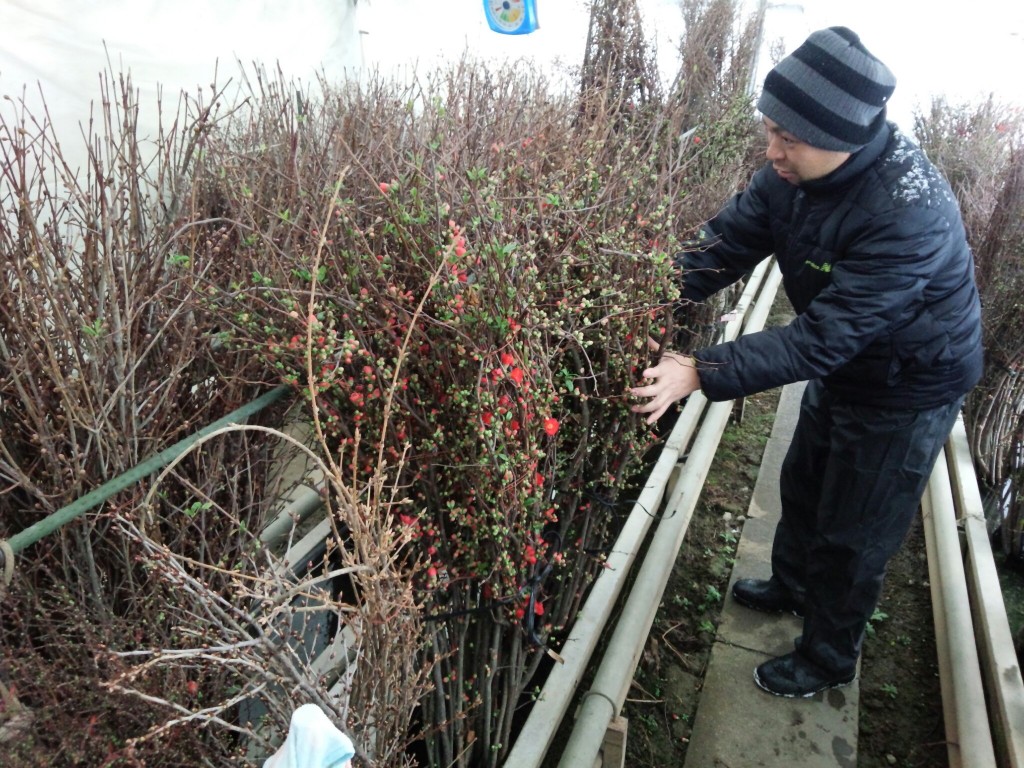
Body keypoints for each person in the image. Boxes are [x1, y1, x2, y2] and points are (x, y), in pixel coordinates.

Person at [630, 26, 983, 698]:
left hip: (909, 381)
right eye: (771, 131)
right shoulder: (788, 177)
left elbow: (822, 336)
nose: (772, 152)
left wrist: (701, 370)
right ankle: (790, 585)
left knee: (855, 529)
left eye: (788, 139)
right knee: (805, 476)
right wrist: (640, 294)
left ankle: (827, 657)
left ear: (843, 138)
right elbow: (723, 246)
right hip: (847, 363)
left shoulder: (910, 212)